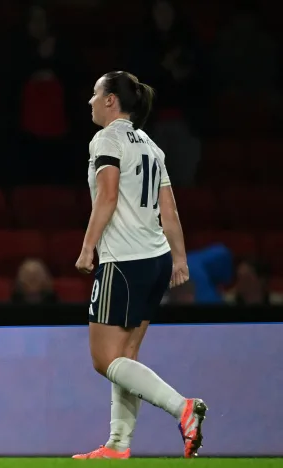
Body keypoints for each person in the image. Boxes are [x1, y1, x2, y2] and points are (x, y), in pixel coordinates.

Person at [73, 71, 205, 459]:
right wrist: (179, 259)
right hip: (156, 259)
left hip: (124, 261)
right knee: (126, 357)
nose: (91, 101)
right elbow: (170, 210)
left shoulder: (107, 138)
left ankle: (183, 407)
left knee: (105, 360)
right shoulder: (151, 145)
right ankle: (118, 443)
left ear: (112, 100)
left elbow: (108, 195)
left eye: (96, 94)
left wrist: (87, 247)